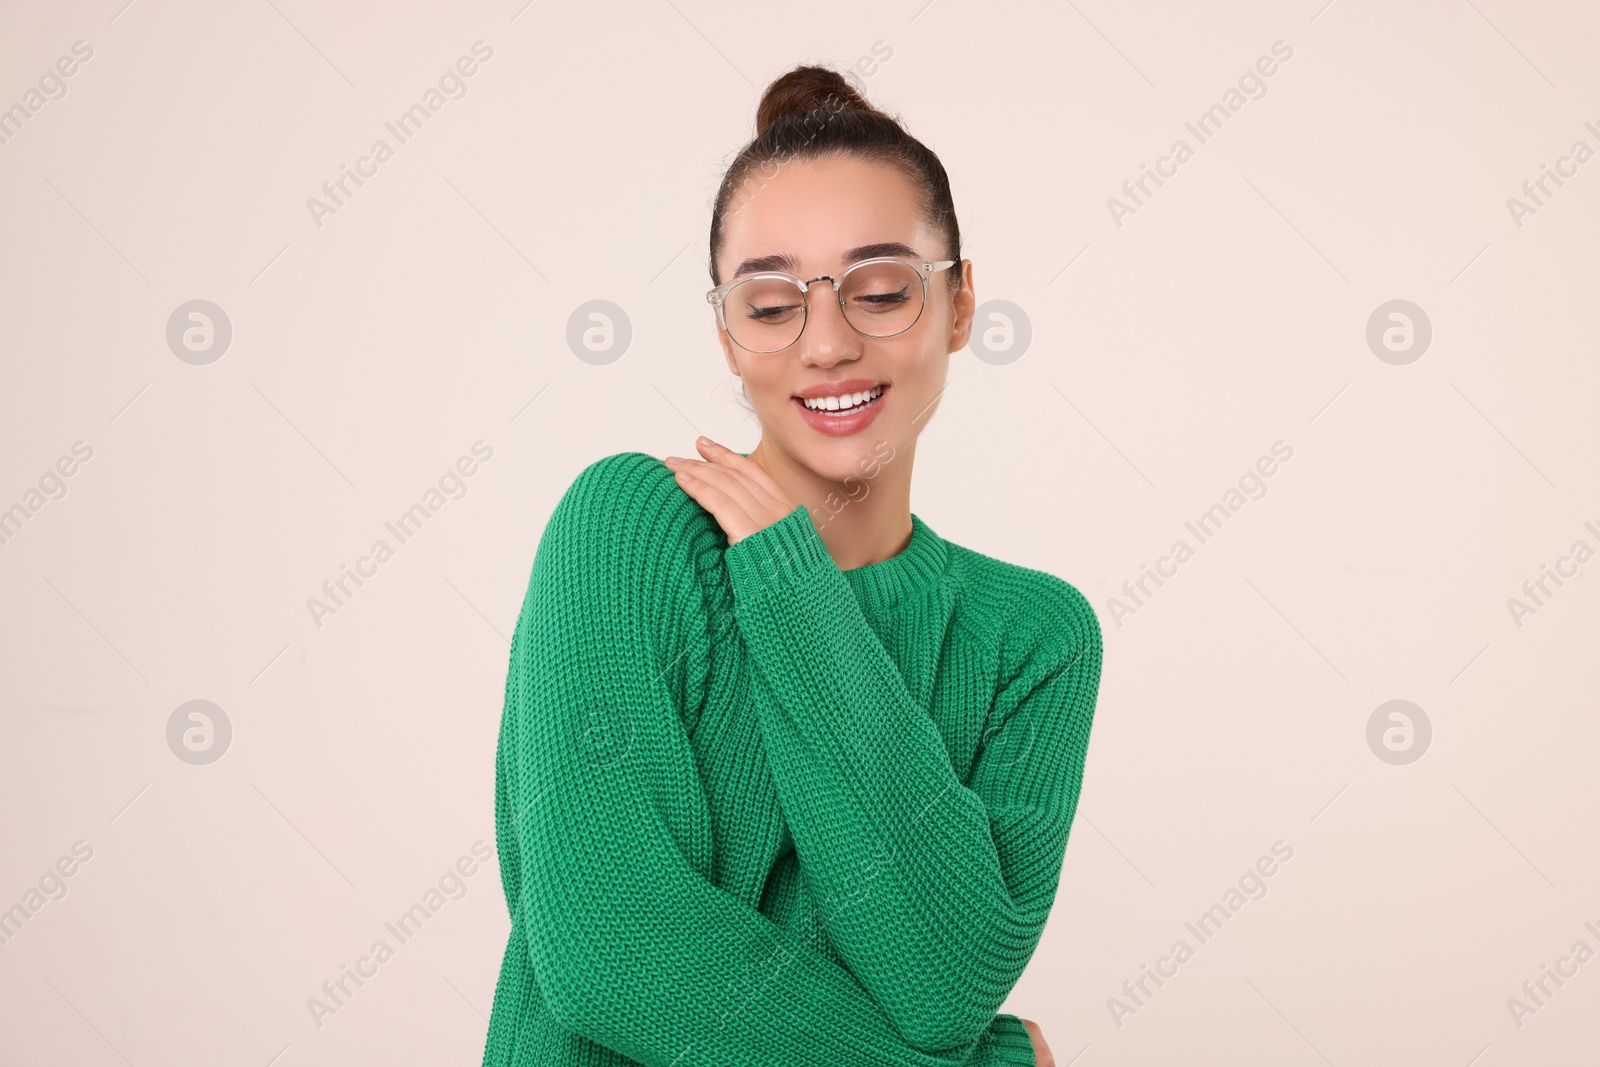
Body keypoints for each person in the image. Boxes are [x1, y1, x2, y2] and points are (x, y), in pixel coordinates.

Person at [482, 63, 1101, 1067]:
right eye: (772, 305)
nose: (826, 342)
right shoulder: (630, 528)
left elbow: (941, 985)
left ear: (959, 305)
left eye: (883, 290)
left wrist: (797, 593)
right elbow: (612, 945)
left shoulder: (1032, 637)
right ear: (727, 333)